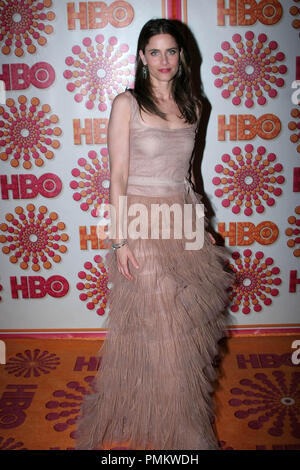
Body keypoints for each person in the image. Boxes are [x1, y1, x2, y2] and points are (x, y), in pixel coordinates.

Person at [74, 18, 235, 451]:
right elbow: (119, 176)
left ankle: (169, 410)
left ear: (181, 56)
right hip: (140, 222)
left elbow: (187, 174)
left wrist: (201, 228)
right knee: (163, 323)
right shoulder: (126, 103)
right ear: (142, 58)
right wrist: (119, 239)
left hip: (181, 221)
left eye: (171, 51)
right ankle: (183, 430)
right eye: (154, 52)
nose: (164, 60)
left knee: (184, 324)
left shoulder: (196, 106)